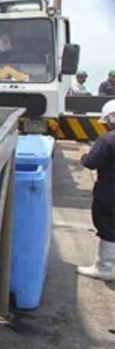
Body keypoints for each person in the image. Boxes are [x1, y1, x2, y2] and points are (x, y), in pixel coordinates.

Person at [77, 99, 115, 281]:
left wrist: (84, 157)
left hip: (109, 194)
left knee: (107, 228)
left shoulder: (108, 139)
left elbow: (91, 162)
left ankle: (104, 268)